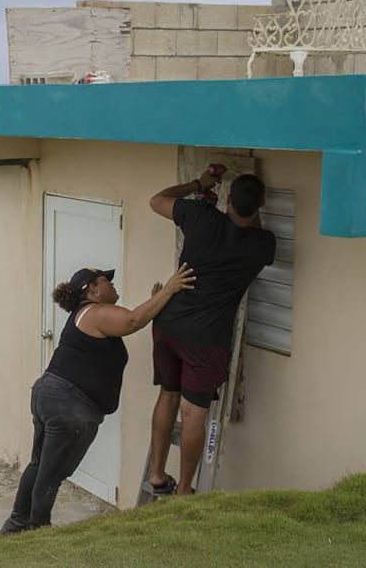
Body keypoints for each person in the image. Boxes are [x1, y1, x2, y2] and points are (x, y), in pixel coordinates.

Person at [0, 261, 196, 534]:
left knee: (40, 464)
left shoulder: (88, 314)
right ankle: (36, 529)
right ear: (91, 290)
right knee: (51, 472)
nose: (111, 283)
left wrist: (156, 302)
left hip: (52, 395)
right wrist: (170, 290)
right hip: (68, 404)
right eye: (105, 280)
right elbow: (133, 320)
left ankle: (16, 525)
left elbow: (132, 318)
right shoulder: (94, 312)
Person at [145, 168, 276, 496]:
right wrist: (248, 212)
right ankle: (184, 490)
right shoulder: (261, 245)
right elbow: (251, 230)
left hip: (168, 324)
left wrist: (199, 184)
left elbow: (157, 200)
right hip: (205, 341)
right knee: (193, 414)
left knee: (167, 396)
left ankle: (158, 474)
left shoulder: (200, 216)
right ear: (260, 206)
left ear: (228, 199)